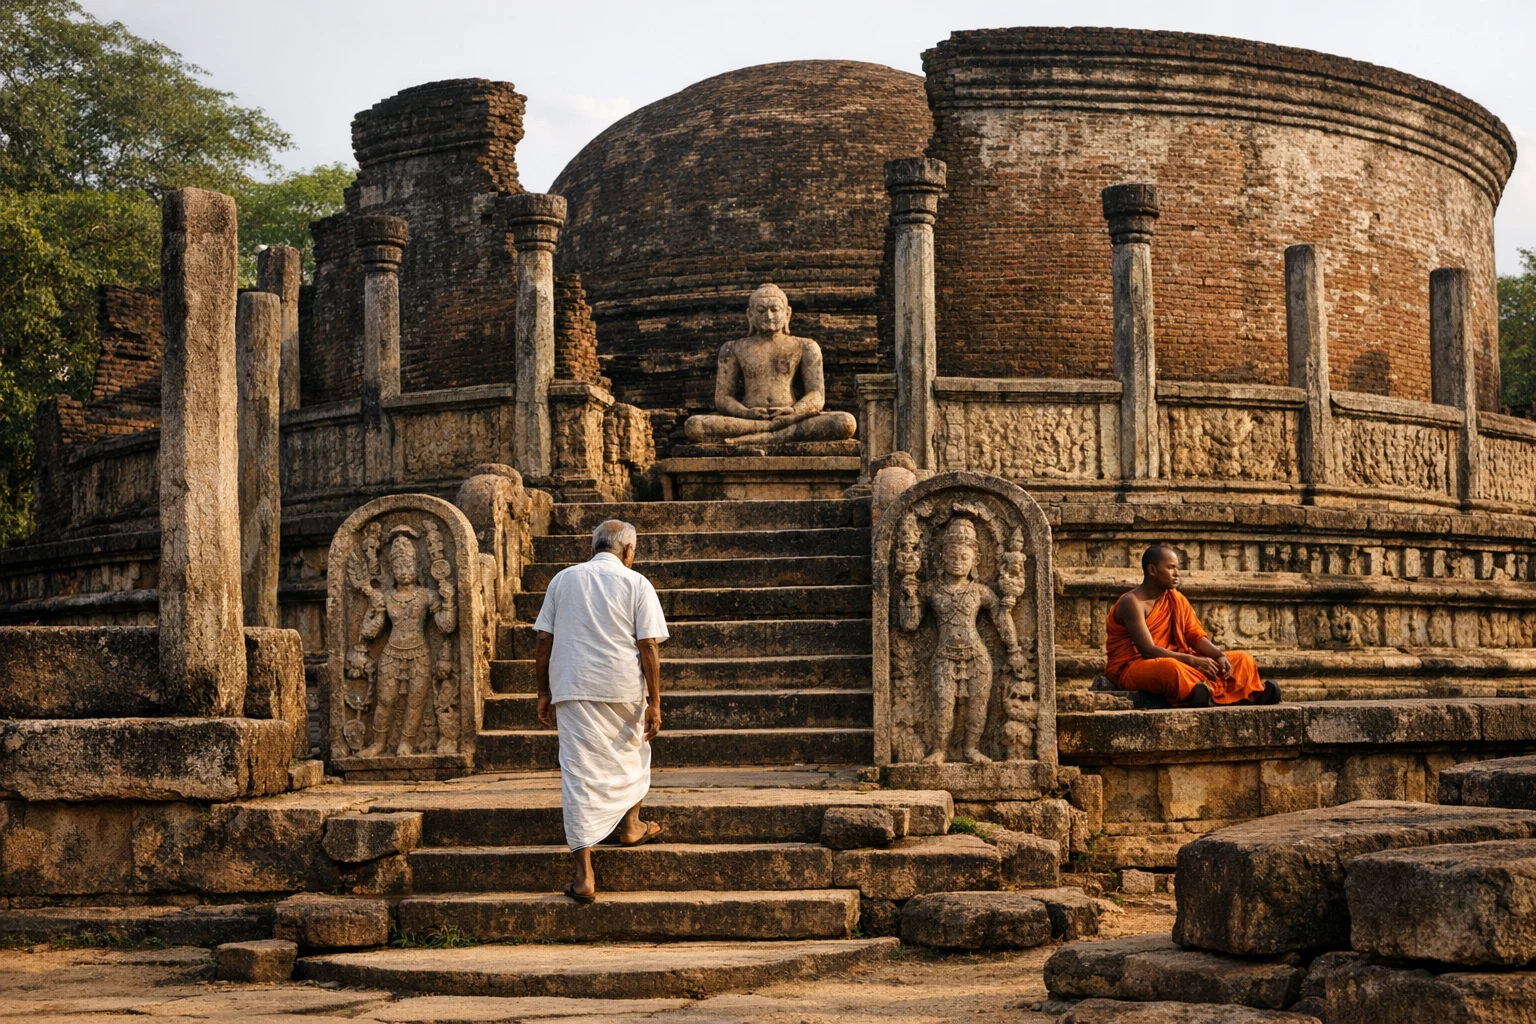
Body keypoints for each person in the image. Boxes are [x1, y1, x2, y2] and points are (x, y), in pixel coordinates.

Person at [534, 519, 669, 902]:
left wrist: (543, 691)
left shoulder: (563, 580)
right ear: (628, 551)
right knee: (633, 756)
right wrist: (655, 701)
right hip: (622, 688)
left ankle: (585, 877)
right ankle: (630, 826)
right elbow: (648, 647)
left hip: (573, 688)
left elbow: (544, 638)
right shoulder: (637, 583)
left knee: (578, 776)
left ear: (593, 547)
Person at [682, 283, 857, 445]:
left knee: (845, 422)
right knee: (694, 425)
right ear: (750, 315)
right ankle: (772, 432)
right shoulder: (733, 348)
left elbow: (817, 395)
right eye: (761, 310)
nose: (769, 316)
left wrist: (793, 412)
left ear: (787, 313)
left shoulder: (805, 346)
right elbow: (722, 398)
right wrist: (746, 413)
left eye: (775, 309)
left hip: (791, 417)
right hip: (749, 419)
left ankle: (765, 435)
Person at [1106, 544, 1279, 707]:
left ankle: (1242, 693)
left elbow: (1194, 636)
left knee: (1243, 660)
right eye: (1170, 567)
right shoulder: (1132, 602)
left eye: (1177, 568)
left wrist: (1219, 656)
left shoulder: (1176, 598)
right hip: (1134, 667)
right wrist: (1192, 660)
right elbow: (1148, 650)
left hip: (1179, 658)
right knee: (1170, 669)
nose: (1177, 573)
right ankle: (1214, 694)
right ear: (1152, 570)